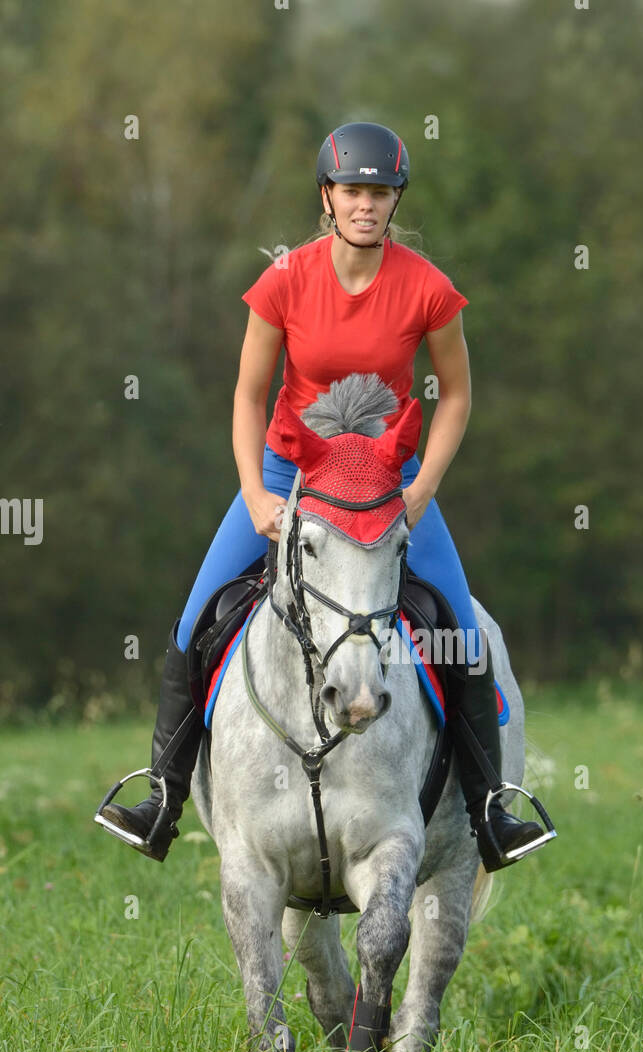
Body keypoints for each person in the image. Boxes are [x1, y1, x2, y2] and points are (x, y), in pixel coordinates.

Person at [96, 121, 553, 872]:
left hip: (390, 484)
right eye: (353, 190)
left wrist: (423, 487)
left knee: (462, 631)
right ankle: (163, 798)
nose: (366, 204)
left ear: (394, 198)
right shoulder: (284, 282)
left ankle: (488, 812)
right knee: (196, 616)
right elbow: (248, 397)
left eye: (380, 192)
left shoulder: (428, 289)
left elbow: (458, 397)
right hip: (288, 474)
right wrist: (252, 494)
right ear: (327, 197)